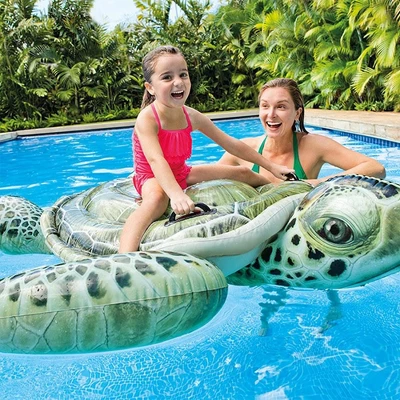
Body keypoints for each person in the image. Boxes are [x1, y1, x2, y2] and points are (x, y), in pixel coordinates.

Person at [118, 46, 294, 253]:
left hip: (180, 172)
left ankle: (281, 191)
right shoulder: (147, 118)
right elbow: (156, 160)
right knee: (157, 199)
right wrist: (176, 195)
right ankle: (125, 255)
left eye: (183, 74)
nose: (178, 82)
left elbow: (231, 144)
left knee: (243, 173)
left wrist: (272, 167)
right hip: (151, 176)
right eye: (167, 77)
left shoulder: (191, 116)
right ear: (150, 87)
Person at [218, 78, 386, 186]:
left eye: (281, 107)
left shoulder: (313, 146)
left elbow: (375, 168)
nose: (271, 114)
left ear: (297, 113)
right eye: (265, 106)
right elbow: (206, 182)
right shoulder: (242, 151)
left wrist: (319, 183)